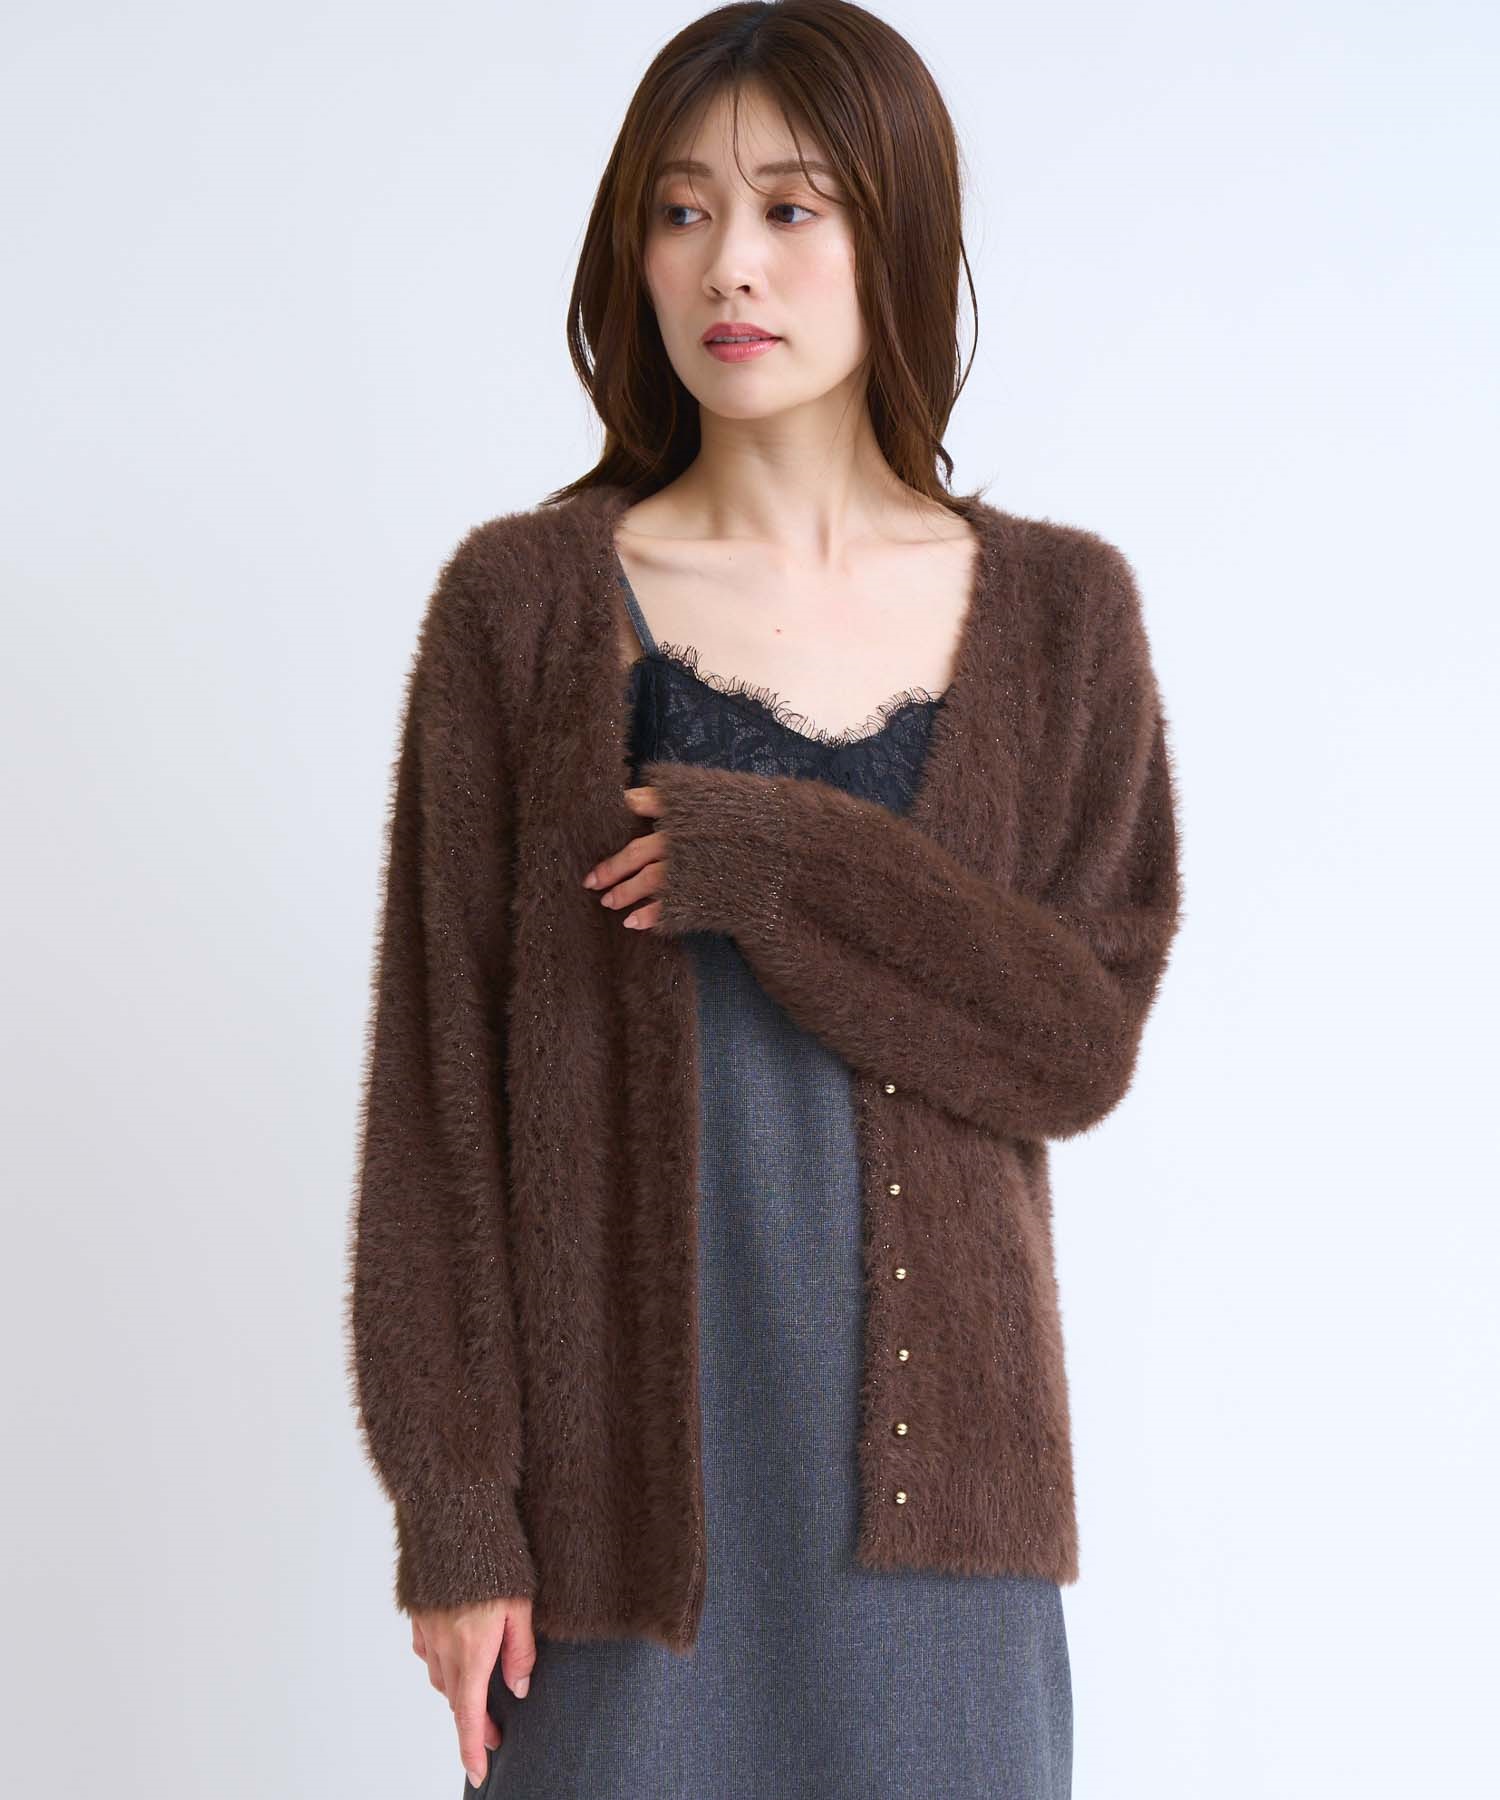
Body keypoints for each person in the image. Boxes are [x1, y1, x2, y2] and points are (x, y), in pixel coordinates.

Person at [349, 4, 1182, 1794]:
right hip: (609, 1524)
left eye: (794, 208)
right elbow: (437, 1103)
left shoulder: (1062, 616)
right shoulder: (523, 607)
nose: (730, 262)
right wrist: (456, 1514)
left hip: (942, 1528)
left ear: (900, 235)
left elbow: (1073, 1044)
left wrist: (781, 862)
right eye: (682, 210)